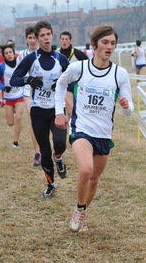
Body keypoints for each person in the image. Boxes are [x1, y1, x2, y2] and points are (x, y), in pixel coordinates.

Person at [54, 24, 134, 232]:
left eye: (113, 43)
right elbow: (60, 85)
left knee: (95, 180)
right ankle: (80, 209)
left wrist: (126, 105)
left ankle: (83, 211)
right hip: (81, 129)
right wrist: (59, 112)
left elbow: (129, 109)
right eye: (105, 42)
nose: (109, 47)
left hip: (104, 134)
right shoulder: (78, 68)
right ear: (94, 44)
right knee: (86, 169)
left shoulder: (119, 73)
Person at [10, 20, 69, 198]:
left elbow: (73, 81)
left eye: (48, 34)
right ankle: (51, 184)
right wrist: (28, 80)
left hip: (57, 109)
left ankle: (58, 157)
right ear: (37, 38)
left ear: (52, 35)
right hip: (38, 110)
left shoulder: (61, 59)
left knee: (59, 144)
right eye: (41, 35)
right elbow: (14, 80)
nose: (45, 38)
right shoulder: (31, 59)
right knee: (44, 150)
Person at [17, 26, 41, 166]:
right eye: (30, 38)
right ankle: (37, 153)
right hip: (28, 92)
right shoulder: (22, 55)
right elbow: (19, 75)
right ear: (26, 39)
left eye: (35, 37)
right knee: (34, 119)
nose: (32, 40)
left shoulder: (44, 53)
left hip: (45, 93)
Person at [0, 44, 24, 148]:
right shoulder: (2, 66)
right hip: (8, 97)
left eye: (10, 52)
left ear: (13, 52)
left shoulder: (20, 63)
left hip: (20, 95)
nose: (9, 55)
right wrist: (3, 87)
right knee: (10, 123)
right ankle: (15, 118)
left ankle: (15, 142)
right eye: (6, 53)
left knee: (19, 117)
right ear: (4, 55)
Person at [58, 31, 89, 121]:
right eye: (62, 39)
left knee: (75, 110)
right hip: (65, 86)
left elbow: (89, 65)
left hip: (77, 85)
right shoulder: (56, 55)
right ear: (60, 41)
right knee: (70, 109)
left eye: (66, 39)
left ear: (70, 41)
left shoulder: (77, 54)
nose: (64, 41)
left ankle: (69, 130)